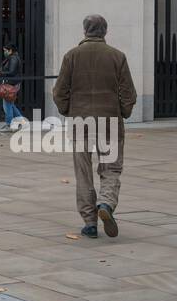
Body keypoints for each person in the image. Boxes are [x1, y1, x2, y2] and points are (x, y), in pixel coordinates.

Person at [52, 13, 137, 240]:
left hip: (81, 120)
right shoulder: (117, 56)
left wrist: (68, 111)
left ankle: (89, 221)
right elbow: (128, 92)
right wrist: (123, 112)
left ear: (85, 31)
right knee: (111, 168)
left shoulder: (72, 56)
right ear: (105, 31)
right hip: (110, 119)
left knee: (83, 171)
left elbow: (59, 91)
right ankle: (106, 203)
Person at [0, 43, 22, 130]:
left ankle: (9, 125)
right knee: (10, 105)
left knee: (7, 105)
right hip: (11, 84)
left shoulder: (13, 58)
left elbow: (11, 72)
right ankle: (22, 122)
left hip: (11, 84)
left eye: (5, 50)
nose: (4, 52)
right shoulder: (12, 57)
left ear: (11, 50)